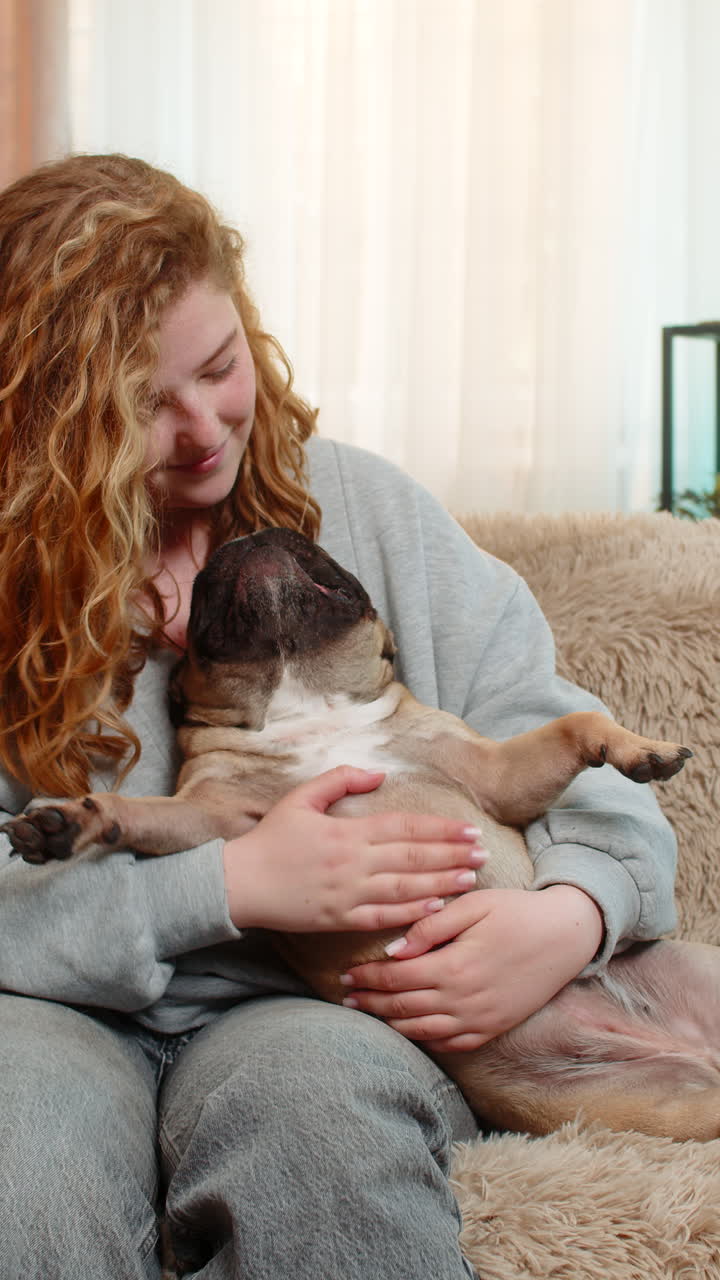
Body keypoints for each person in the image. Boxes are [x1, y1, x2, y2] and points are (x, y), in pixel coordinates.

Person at [0, 153, 677, 1280]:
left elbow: (554, 737)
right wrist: (230, 886)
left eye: (220, 367)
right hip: (50, 1009)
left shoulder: (361, 507)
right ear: (48, 419)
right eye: (136, 410)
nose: (203, 428)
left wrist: (569, 914)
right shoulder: (16, 582)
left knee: (318, 1128)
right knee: (23, 1164)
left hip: (323, 1013)